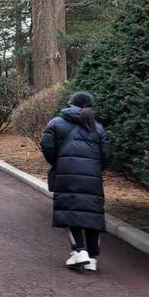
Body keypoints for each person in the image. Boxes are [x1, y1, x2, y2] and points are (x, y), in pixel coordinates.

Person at [40, 91, 111, 272]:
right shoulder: (98, 127)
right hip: (93, 177)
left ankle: (79, 250)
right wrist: (94, 168)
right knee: (92, 214)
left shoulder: (56, 123)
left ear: (71, 103)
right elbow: (107, 155)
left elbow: (47, 146)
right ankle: (93, 258)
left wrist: (59, 162)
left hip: (67, 174)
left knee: (71, 212)